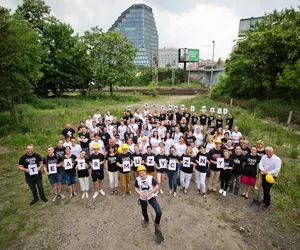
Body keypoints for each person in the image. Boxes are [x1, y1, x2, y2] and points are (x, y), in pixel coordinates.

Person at [135, 165, 162, 230]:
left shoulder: (150, 178)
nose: (141, 175)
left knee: (159, 212)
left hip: (151, 197)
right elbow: (136, 188)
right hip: (142, 199)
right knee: (144, 211)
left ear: (146, 172)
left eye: (143, 173)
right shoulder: (137, 179)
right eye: (140, 173)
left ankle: (157, 223)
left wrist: (149, 193)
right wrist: (141, 194)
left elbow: (157, 186)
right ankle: (146, 220)